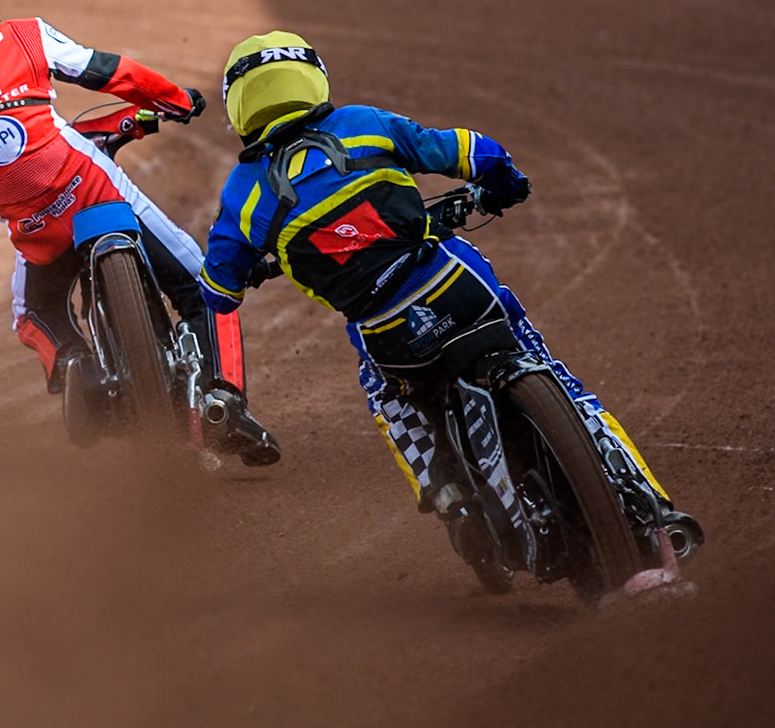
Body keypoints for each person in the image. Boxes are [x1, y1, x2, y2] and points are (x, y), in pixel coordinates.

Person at [197, 31, 699, 560]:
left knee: (386, 395)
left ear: (239, 105)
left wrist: (254, 267)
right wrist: (504, 182)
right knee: (556, 376)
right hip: (458, 287)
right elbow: (469, 150)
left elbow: (218, 290)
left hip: (386, 332)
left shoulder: (243, 191)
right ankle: (655, 508)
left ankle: (450, 497)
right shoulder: (363, 124)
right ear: (312, 77)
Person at [0, 0, 279, 461]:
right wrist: (175, 99)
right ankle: (226, 399)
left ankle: (74, 365)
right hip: (96, 189)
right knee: (202, 284)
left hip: (35, 229)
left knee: (32, 314)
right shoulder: (26, 34)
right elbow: (108, 72)